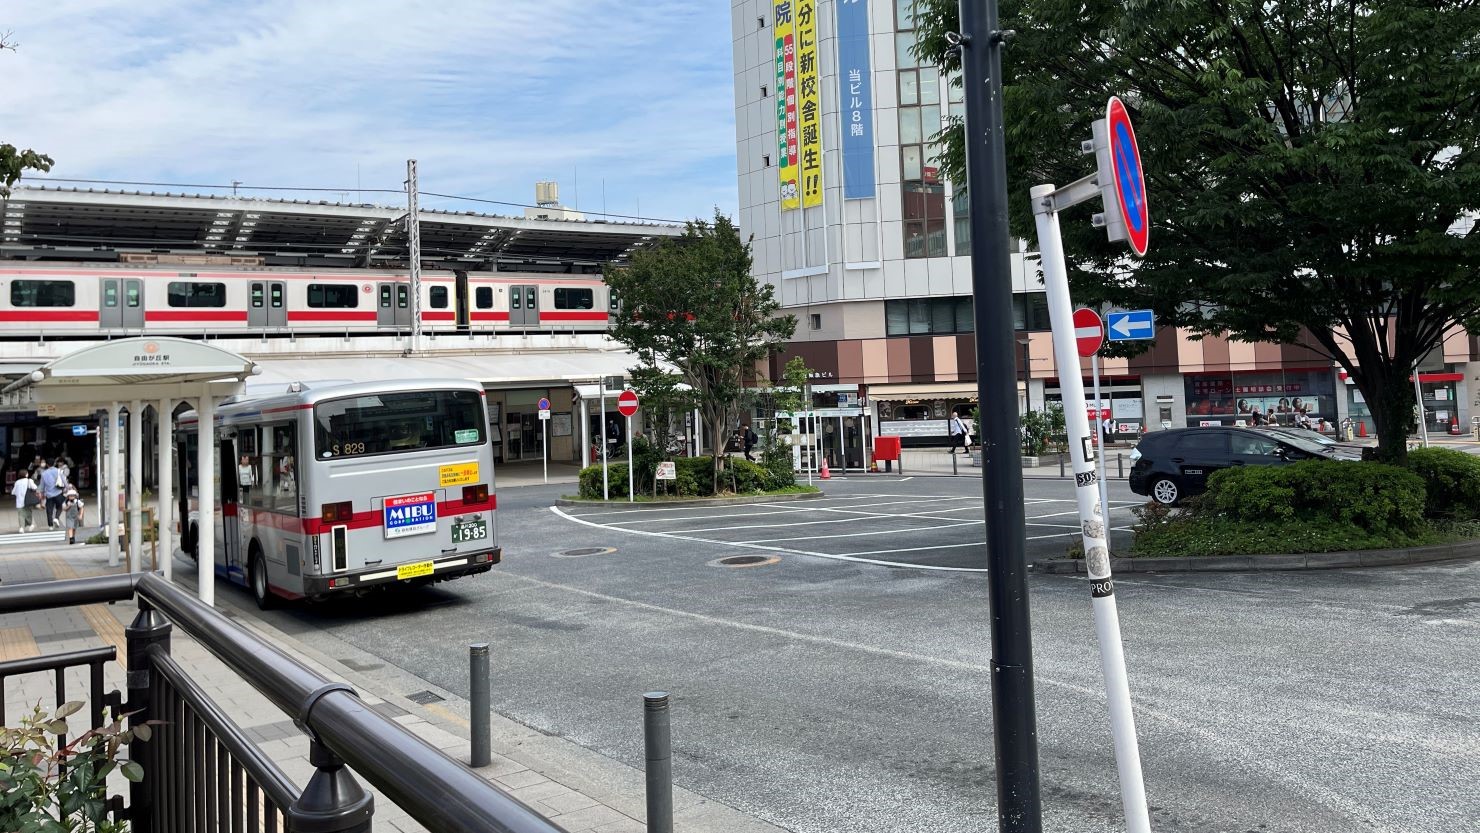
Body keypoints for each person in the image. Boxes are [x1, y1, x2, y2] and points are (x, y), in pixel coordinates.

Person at [38, 459, 65, 529]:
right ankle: (56, 518)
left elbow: (42, 485)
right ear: (54, 463)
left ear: (47, 464)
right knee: (60, 506)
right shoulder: (58, 471)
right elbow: (64, 480)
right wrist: (67, 488)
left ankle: (50, 526)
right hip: (58, 493)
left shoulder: (44, 473)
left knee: (49, 510)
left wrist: (41, 493)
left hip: (49, 494)